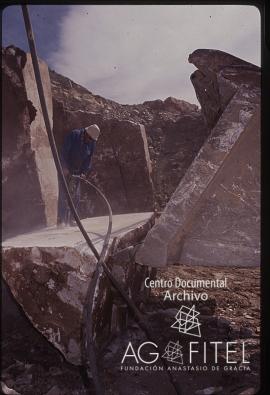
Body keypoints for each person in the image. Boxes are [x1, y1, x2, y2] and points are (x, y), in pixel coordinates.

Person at [57, 124, 100, 226]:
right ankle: (62, 220)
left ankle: (72, 219)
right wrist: (64, 167)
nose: (90, 141)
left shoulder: (91, 142)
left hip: (77, 172)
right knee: (64, 194)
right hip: (66, 169)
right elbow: (63, 152)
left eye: (92, 140)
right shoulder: (74, 135)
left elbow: (88, 159)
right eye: (89, 138)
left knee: (76, 196)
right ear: (86, 133)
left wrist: (84, 172)